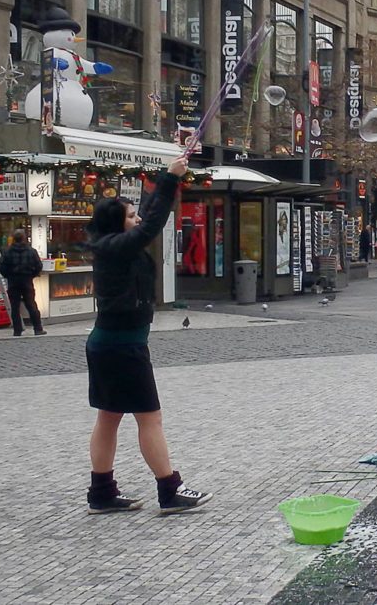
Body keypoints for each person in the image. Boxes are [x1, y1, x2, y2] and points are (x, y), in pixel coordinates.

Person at [85, 157, 212, 514]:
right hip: (122, 347)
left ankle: (102, 492)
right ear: (116, 223)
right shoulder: (115, 248)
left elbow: (148, 218)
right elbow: (153, 223)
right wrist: (170, 179)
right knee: (149, 417)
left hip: (112, 345)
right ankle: (170, 489)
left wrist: (167, 176)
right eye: (130, 215)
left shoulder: (114, 247)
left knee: (108, 419)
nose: (137, 218)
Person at [0, 229, 46, 337]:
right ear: (24, 238)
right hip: (26, 280)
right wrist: (32, 275)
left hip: (13, 281)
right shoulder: (31, 251)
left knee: (14, 307)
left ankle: (17, 330)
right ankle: (38, 328)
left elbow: (2, 267)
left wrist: (8, 275)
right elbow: (39, 266)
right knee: (31, 304)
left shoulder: (7, 251)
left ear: (14, 238)